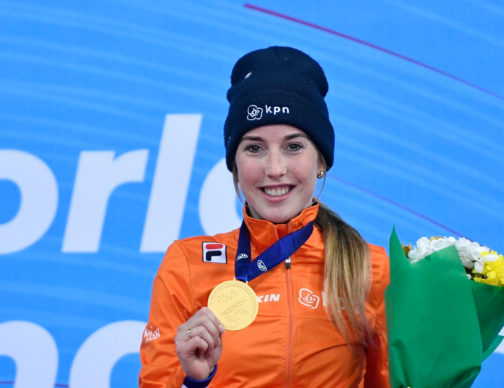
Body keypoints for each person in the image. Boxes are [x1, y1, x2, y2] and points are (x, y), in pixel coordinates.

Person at [139, 46, 390, 388]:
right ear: (235, 164)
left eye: (294, 146)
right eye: (254, 147)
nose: (274, 169)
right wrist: (194, 381)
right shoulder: (185, 264)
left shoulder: (369, 268)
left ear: (321, 162)